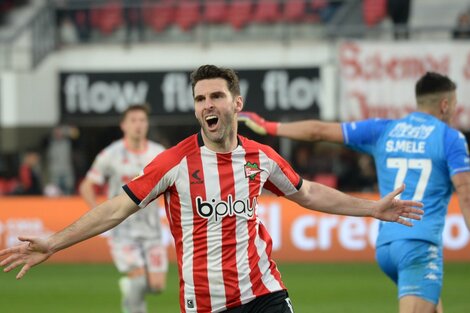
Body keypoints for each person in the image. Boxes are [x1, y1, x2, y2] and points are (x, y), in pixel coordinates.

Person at [0, 65, 424, 313]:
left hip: (264, 293)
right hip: (206, 304)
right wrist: (53, 242)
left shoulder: (261, 157)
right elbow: (115, 208)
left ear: (236, 104)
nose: (207, 105)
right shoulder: (174, 163)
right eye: (200, 98)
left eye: (216, 96)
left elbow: (307, 192)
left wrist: (371, 209)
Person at [238, 71, 470, 313]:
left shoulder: (385, 129)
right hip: (419, 244)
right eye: (454, 105)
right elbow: (465, 194)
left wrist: (269, 126)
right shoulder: (450, 138)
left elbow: (319, 131)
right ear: (445, 105)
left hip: (387, 245)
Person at [78, 104, 168, 313]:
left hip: (152, 229)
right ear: (123, 125)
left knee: (157, 286)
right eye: (133, 120)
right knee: (137, 279)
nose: (138, 125)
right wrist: (98, 212)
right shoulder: (111, 154)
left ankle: (130, 287)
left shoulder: (159, 153)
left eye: (142, 120)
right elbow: (86, 186)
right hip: (122, 228)